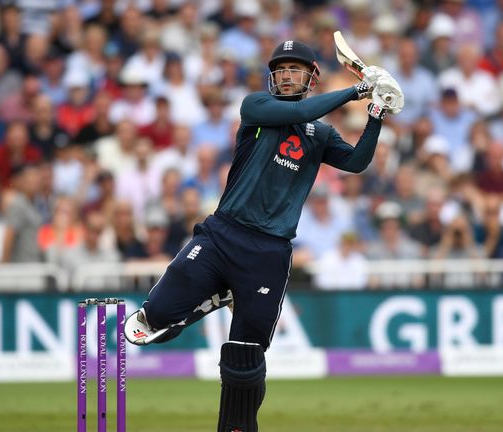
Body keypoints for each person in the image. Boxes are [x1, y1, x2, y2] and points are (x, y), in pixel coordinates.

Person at [123, 40, 403, 432]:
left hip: (269, 252)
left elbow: (356, 163)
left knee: (246, 356)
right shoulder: (255, 108)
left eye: (295, 70)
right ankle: (218, 295)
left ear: (311, 77)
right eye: (281, 70)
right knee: (152, 319)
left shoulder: (319, 134)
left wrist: (375, 112)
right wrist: (358, 90)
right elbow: (304, 109)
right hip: (222, 234)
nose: (287, 76)